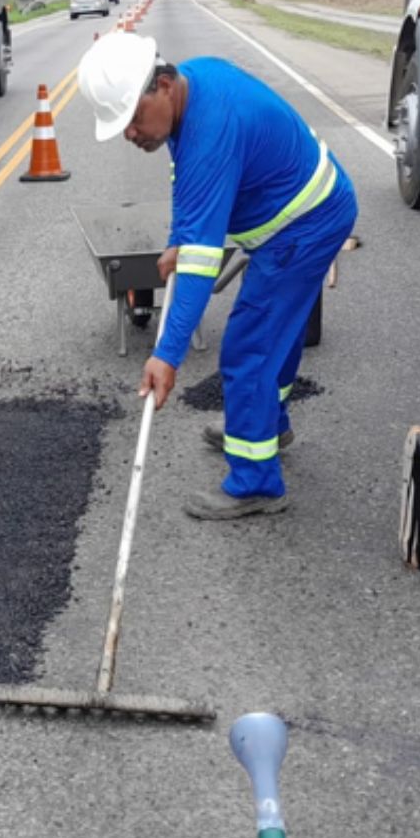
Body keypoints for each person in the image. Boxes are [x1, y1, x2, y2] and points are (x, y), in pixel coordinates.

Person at [76, 32, 357, 520]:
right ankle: (270, 425)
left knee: (249, 346)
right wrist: (178, 241)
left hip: (303, 227)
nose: (130, 133)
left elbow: (201, 268)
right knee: (276, 333)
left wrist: (167, 355)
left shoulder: (209, 130)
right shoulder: (194, 84)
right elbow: (190, 190)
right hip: (313, 210)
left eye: (133, 118)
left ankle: (255, 483)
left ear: (162, 85)